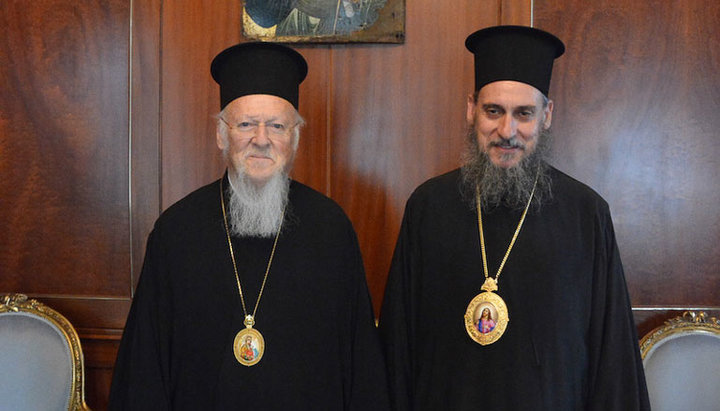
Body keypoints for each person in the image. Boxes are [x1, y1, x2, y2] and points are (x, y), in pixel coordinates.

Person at [378, 26, 650, 410]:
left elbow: (612, 357)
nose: (507, 131)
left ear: (546, 115)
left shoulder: (585, 213)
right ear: (472, 109)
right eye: (494, 111)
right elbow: (398, 347)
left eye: (524, 114)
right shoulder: (428, 206)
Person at [110, 42, 389, 410]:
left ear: (295, 139)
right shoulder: (176, 232)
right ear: (221, 135)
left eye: (277, 125)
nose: (261, 139)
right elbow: (145, 366)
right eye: (245, 124)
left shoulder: (331, 229)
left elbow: (361, 367)